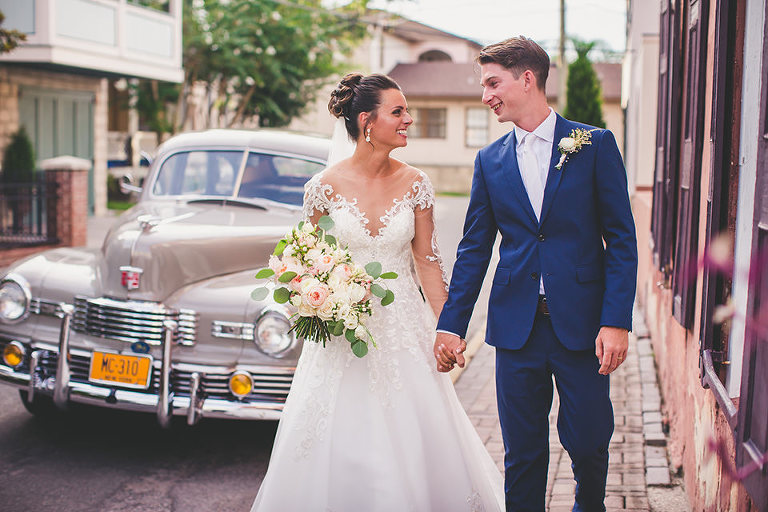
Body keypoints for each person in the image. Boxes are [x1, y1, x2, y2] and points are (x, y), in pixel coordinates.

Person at [250, 73, 504, 512]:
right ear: (367, 121)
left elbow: (427, 260)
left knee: (411, 429)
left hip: (403, 325)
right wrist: (320, 297)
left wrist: (449, 328)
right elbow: (306, 261)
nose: (409, 119)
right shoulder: (322, 188)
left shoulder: (417, 183)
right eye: (399, 111)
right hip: (341, 336)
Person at [433, 36, 638, 511]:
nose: (486, 96)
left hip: (583, 325)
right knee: (522, 453)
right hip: (515, 328)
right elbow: (474, 249)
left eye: (493, 83)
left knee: (588, 441)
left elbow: (621, 241)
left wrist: (617, 320)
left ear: (527, 79)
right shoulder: (489, 161)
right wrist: (452, 323)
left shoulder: (594, 145)